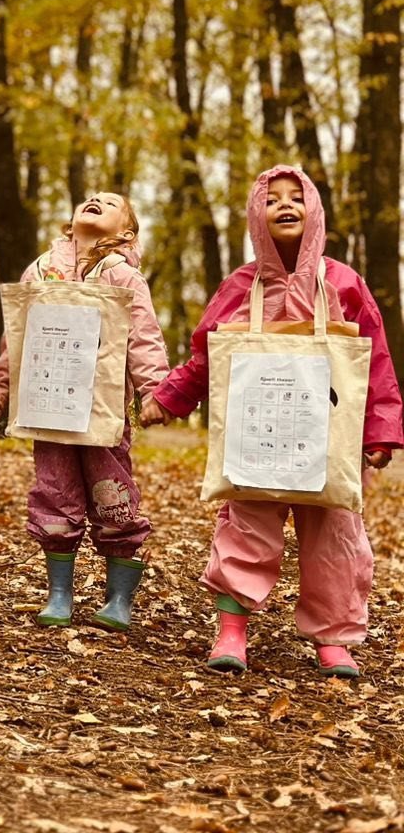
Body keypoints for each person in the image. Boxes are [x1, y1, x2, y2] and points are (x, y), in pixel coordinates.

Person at [140, 166, 401, 678]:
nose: (285, 205)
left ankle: (334, 639)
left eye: (296, 197)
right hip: (256, 437)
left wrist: (381, 430)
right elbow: (206, 355)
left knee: (336, 539)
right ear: (255, 216)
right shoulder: (241, 285)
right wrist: (169, 399)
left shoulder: (344, 283)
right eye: (271, 198)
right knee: (247, 530)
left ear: (316, 212)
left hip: (329, 442)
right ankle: (232, 629)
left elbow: (376, 362)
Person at [0, 192, 168, 631]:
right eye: (89, 199)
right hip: (49, 406)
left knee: (111, 492)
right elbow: (17, 337)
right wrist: (2, 388)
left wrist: (155, 389)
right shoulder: (41, 271)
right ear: (70, 221)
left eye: (111, 203)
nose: (95, 200)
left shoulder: (124, 277)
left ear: (126, 233)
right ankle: (59, 591)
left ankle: (119, 597)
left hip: (103, 411)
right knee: (54, 492)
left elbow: (145, 336)